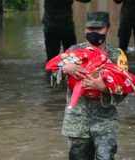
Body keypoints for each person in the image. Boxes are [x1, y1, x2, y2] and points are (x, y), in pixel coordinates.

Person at [53, 11, 127, 159]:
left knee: (105, 157)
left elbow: (124, 90)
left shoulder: (117, 55)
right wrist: (64, 69)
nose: (94, 32)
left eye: (98, 29)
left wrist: (103, 87)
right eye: (90, 29)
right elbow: (54, 77)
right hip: (77, 122)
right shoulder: (73, 51)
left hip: (105, 122)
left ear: (108, 29)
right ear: (85, 29)